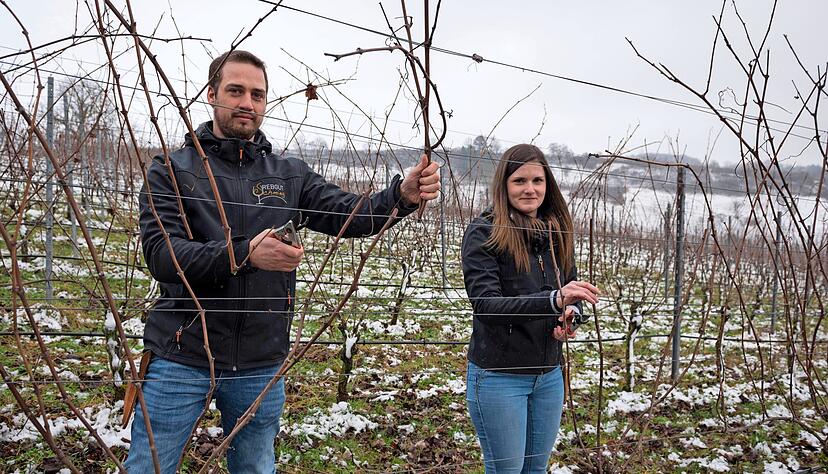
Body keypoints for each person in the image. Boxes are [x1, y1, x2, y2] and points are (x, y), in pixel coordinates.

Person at [126, 50, 440, 473]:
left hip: (259, 361)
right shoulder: (172, 169)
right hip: (182, 354)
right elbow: (163, 257)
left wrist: (400, 196)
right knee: (150, 466)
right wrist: (244, 254)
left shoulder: (288, 174)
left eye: (257, 95)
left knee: (256, 466)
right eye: (235, 91)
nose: (247, 103)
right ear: (211, 94)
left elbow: (347, 213)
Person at [461, 143, 599, 473]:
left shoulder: (556, 234)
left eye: (538, 180)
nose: (530, 189)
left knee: (535, 470)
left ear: (547, 185)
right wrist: (553, 301)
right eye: (519, 181)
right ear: (504, 185)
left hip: (548, 375)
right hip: (499, 376)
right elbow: (486, 305)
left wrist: (571, 316)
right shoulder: (484, 233)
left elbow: (572, 291)